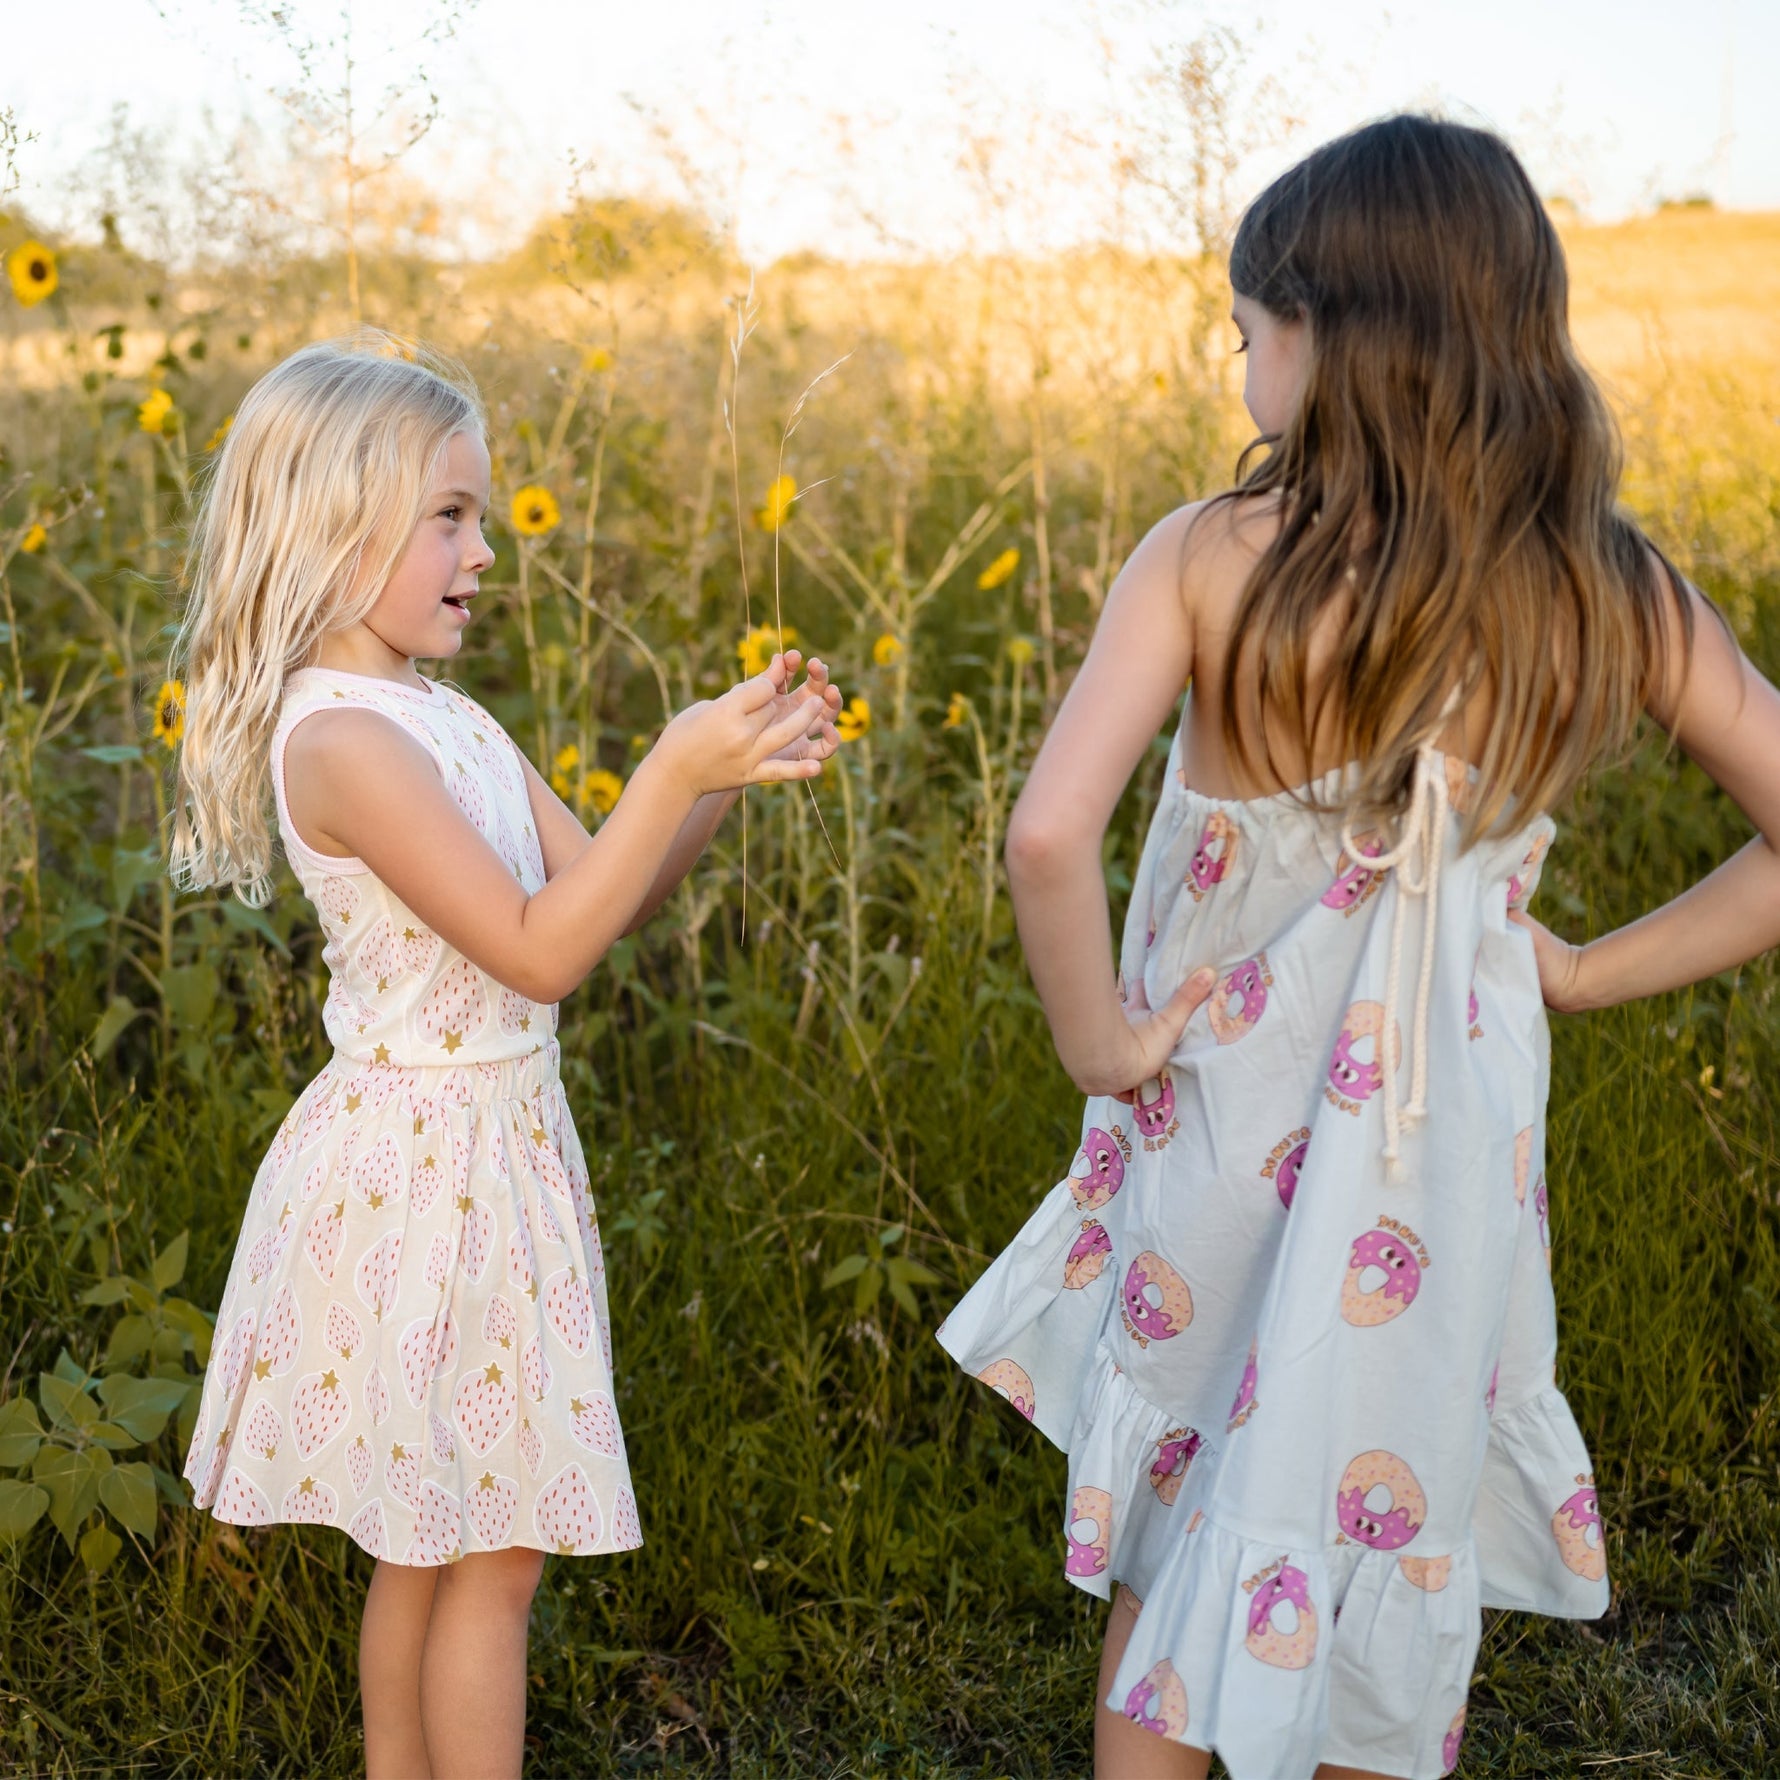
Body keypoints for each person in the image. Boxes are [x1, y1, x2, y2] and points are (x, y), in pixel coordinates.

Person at [935, 114, 1780, 1780]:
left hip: (1217, 1137)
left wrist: (1099, 1040)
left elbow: (1046, 833)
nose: (1237, 359)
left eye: (1250, 328)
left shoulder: (1209, 556)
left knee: (1190, 1523)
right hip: (1436, 1177)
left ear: (1337, 336)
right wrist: (1591, 968)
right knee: (1371, 1517)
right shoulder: (1600, 588)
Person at [168, 333, 842, 1780]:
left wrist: (720, 778)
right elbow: (537, 954)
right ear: (339, 527)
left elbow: (602, 897)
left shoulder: (442, 714)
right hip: (420, 1172)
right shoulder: (342, 741)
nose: (488, 547)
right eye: (452, 517)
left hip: (493, 1164)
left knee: (437, 1541)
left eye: (484, 514)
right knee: (493, 1552)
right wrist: (667, 761)